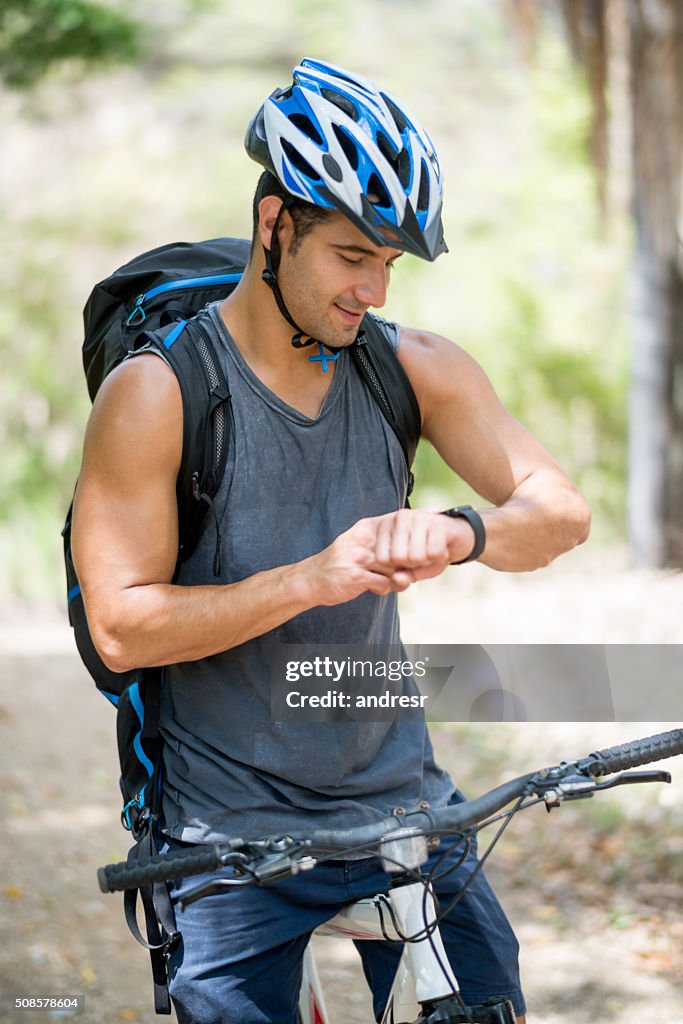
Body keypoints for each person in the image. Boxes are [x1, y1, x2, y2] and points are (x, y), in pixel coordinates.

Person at [72, 58, 590, 1023]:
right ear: (275, 225)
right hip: (229, 834)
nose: (375, 292)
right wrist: (310, 578)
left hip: (404, 810)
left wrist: (461, 530)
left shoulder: (412, 369)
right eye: (353, 256)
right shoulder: (158, 395)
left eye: (390, 264)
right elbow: (121, 629)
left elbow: (558, 511)